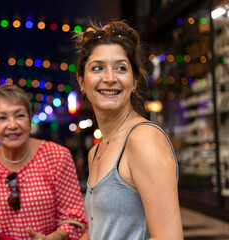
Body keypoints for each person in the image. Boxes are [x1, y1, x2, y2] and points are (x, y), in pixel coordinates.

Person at [74, 20, 183, 239]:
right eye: (97, 68)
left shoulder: (143, 139)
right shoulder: (96, 151)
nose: (110, 78)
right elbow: (102, 230)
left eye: (121, 68)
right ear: (81, 82)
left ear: (134, 82)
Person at [0, 85, 87, 240]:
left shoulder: (57, 156)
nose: (12, 125)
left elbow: (75, 219)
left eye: (19, 115)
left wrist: (57, 236)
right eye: (2, 118)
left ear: (29, 120)